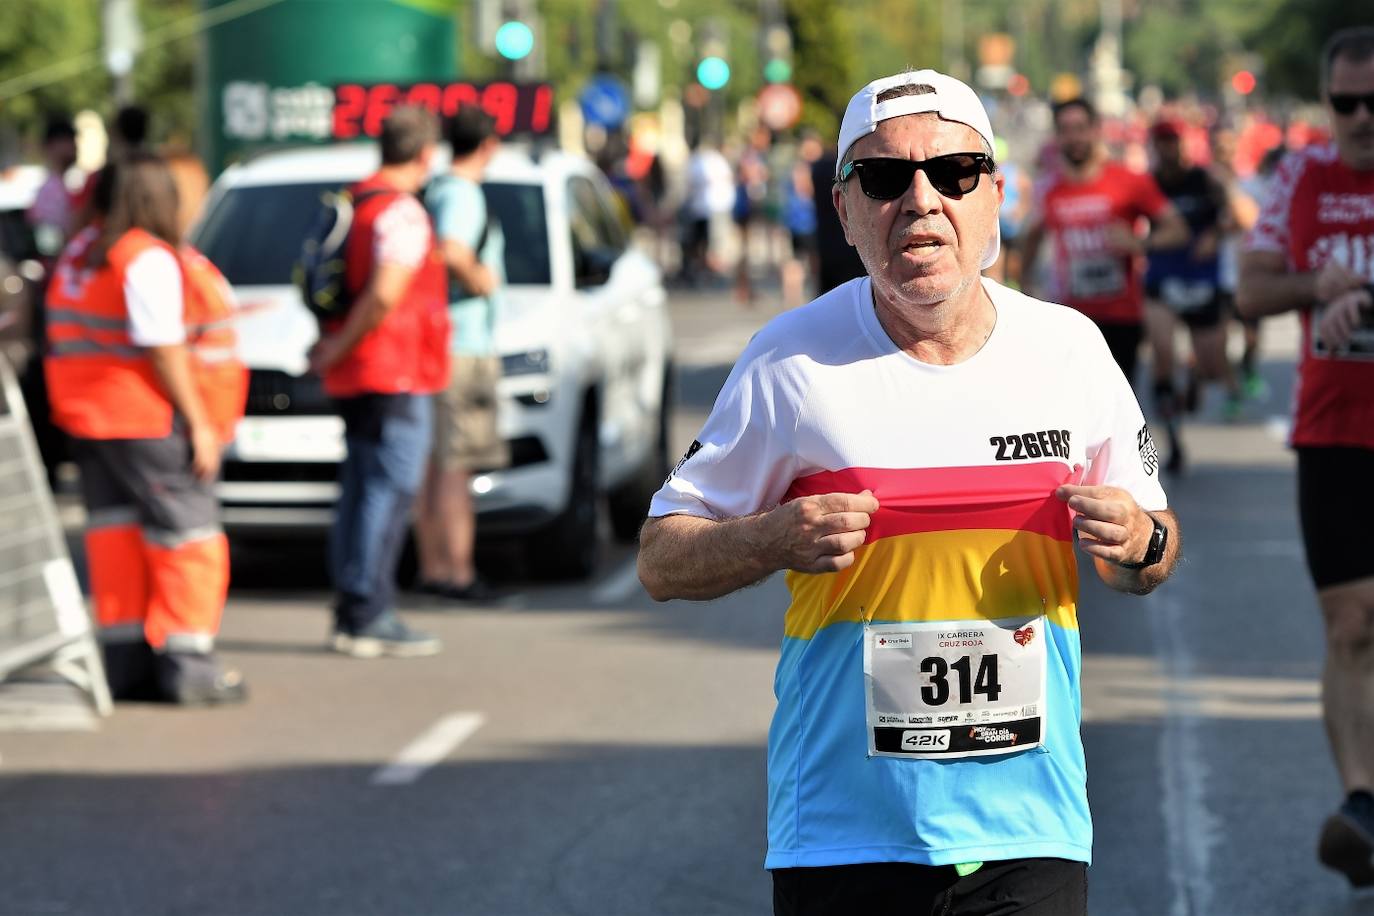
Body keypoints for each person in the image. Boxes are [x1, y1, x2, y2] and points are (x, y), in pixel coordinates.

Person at [638, 69, 1180, 915]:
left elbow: (1152, 550)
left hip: (1028, 831)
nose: (922, 200)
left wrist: (1138, 544)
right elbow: (661, 557)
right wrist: (774, 538)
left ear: (995, 195)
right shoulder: (790, 362)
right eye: (885, 178)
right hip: (844, 834)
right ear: (846, 210)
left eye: (955, 173)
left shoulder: (1070, 351)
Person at [1237, 26, 1374, 888]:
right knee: (1352, 622)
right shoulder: (1301, 179)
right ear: (1327, 105)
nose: (1362, 118)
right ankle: (1361, 802)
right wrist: (1314, 285)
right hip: (1332, 435)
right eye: (1346, 103)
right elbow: (1251, 291)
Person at [44, 152, 246, 705]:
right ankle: (189, 669)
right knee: (189, 540)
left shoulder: (83, 252)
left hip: (90, 419)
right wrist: (200, 423)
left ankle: (127, 664)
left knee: (116, 539)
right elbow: (163, 347)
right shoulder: (147, 258)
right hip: (145, 420)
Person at [308, 106, 450, 658]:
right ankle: (368, 612)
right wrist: (341, 348)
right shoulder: (402, 213)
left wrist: (332, 350)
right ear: (424, 154)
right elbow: (385, 295)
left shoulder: (356, 199)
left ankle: (351, 609)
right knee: (386, 492)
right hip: (395, 370)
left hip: (361, 371)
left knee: (360, 488)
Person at [1019, 98, 1189, 386]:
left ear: (1096, 130)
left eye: (1081, 128)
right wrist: (1025, 292)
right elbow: (1031, 239)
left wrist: (1139, 243)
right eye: (1065, 129)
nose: (1074, 138)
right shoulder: (1048, 189)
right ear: (1057, 136)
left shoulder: (1129, 181)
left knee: (1117, 411)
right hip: (1070, 318)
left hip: (1122, 316)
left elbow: (1178, 229)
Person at [413, 105, 508, 602]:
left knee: (432, 464)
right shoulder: (463, 194)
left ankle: (432, 567)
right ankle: (457, 572)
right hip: (464, 345)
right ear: (489, 145)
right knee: (456, 465)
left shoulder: (433, 191)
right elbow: (452, 251)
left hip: (435, 346)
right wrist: (483, 281)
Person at [1142, 119, 1242, 473]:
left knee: (1214, 365)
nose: (1172, 148)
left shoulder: (1207, 179)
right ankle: (1173, 442)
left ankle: (1196, 373)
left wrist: (1216, 232)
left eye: (1177, 140)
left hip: (1203, 279)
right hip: (1163, 278)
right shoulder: (1147, 183)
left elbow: (1240, 219)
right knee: (1163, 353)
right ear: (1155, 146)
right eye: (1164, 141)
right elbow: (1124, 218)